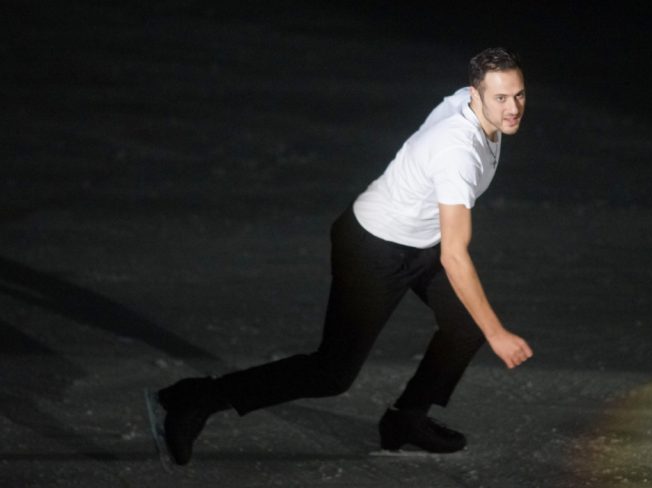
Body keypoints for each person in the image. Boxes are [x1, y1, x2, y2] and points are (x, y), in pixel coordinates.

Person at [148, 47, 533, 466]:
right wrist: (498, 333)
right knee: (332, 373)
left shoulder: (474, 107)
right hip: (373, 247)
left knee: (465, 325)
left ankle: (407, 419)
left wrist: (485, 325)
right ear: (474, 96)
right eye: (500, 98)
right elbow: (456, 256)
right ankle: (194, 399)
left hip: (420, 242)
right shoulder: (458, 151)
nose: (513, 108)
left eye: (519, 95)